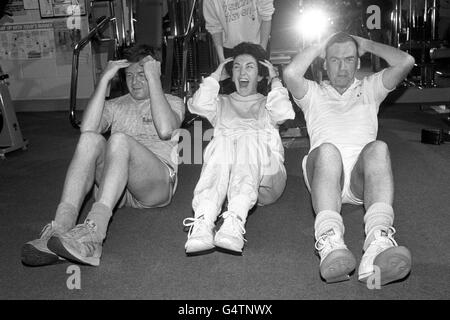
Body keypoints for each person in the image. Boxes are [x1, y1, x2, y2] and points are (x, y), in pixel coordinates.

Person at [21, 44, 185, 267]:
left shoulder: (173, 102)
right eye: (129, 76)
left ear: (153, 74)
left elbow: (166, 130)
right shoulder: (115, 105)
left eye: (142, 75)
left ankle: (94, 234)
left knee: (118, 139)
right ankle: (60, 229)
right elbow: (86, 130)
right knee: (90, 139)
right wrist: (104, 80)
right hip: (119, 187)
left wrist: (154, 79)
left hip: (155, 185)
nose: (135, 82)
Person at [283, 32, 414, 285]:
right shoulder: (312, 93)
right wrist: (322, 43)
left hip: (360, 181)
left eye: (348, 59)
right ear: (324, 63)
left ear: (357, 62)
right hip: (324, 174)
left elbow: (406, 61)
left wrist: (366, 44)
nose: (342, 67)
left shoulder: (370, 88)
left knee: (378, 148)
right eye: (334, 60)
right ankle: (330, 241)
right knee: (329, 150)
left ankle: (377, 245)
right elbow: (290, 73)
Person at [183, 42, 295, 255]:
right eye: (237, 67)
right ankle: (204, 219)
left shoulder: (268, 102)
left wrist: (276, 80)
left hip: (268, 182)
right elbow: (197, 105)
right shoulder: (221, 102)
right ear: (230, 74)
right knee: (221, 140)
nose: (242, 72)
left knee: (246, 137)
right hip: (233, 184)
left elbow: (283, 112)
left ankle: (236, 218)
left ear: (260, 76)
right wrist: (215, 76)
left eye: (250, 67)